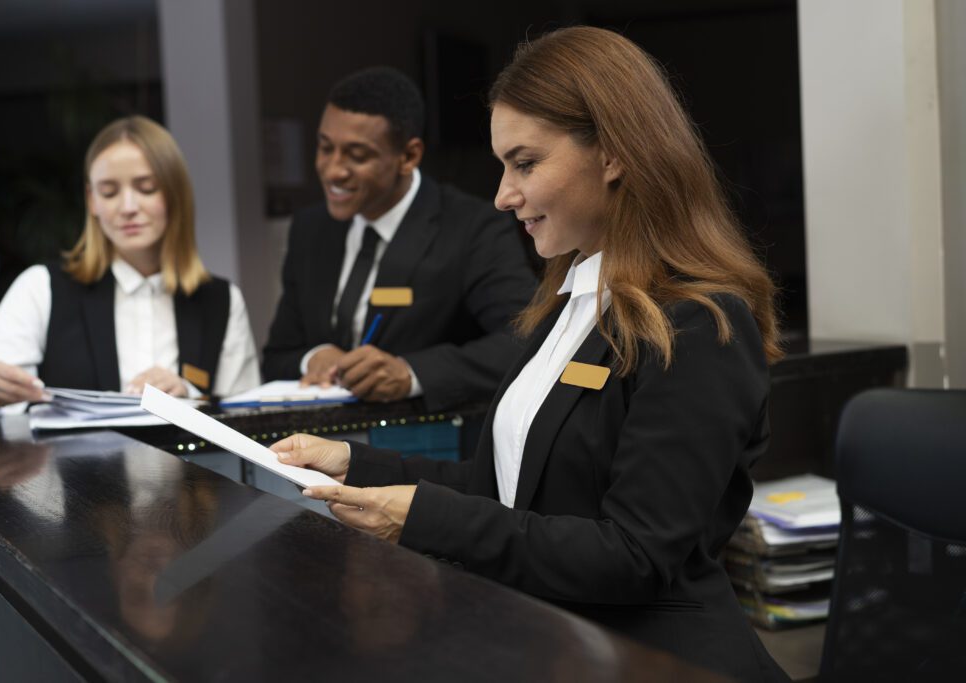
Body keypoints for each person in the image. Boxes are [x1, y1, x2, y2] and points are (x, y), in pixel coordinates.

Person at [270, 27, 789, 682]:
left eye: (525, 163)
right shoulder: (564, 305)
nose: (502, 194)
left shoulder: (699, 325)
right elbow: (504, 490)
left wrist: (419, 517)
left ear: (613, 154)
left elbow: (631, 555)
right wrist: (354, 463)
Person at [0, 116, 260, 421]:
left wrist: (191, 396)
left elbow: (251, 417)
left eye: (146, 188)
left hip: (195, 478)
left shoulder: (221, 300)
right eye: (109, 192)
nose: (128, 207)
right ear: (92, 200)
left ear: (175, 194)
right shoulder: (42, 287)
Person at [261, 67, 536, 411]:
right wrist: (314, 358)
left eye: (357, 156)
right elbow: (276, 356)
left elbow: (525, 339)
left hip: (426, 446)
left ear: (408, 156)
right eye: (325, 147)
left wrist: (410, 373)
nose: (333, 170)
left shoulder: (472, 227)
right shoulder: (309, 228)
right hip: (316, 448)